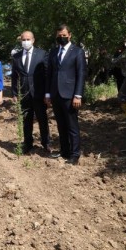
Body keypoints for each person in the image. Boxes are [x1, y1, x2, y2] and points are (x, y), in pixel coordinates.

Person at [45, 24, 86, 165]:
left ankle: (75, 154)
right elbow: (49, 74)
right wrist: (48, 94)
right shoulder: (53, 52)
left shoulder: (78, 52)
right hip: (56, 94)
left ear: (70, 35)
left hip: (70, 95)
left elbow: (81, 74)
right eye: (59, 35)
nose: (61, 38)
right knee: (61, 125)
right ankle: (64, 151)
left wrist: (78, 95)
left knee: (72, 126)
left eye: (64, 35)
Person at [11, 31, 51, 154]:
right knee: (26, 121)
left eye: (28, 39)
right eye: (23, 40)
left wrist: (47, 93)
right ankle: (28, 144)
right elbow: (14, 77)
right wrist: (14, 93)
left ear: (33, 40)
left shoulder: (42, 54)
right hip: (24, 94)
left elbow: (47, 75)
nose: (26, 42)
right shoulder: (16, 57)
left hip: (39, 94)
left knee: (42, 119)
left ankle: (46, 143)